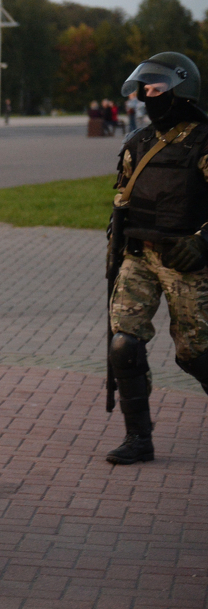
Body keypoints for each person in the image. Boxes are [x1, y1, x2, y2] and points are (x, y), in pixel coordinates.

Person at [106, 52, 208, 465]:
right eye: (144, 89)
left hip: (185, 260)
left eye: (157, 89)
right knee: (123, 343)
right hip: (139, 257)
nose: (148, 97)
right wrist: (114, 256)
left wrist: (203, 241)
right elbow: (122, 201)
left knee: (195, 353)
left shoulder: (204, 141)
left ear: (181, 91)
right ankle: (138, 438)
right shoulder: (138, 143)